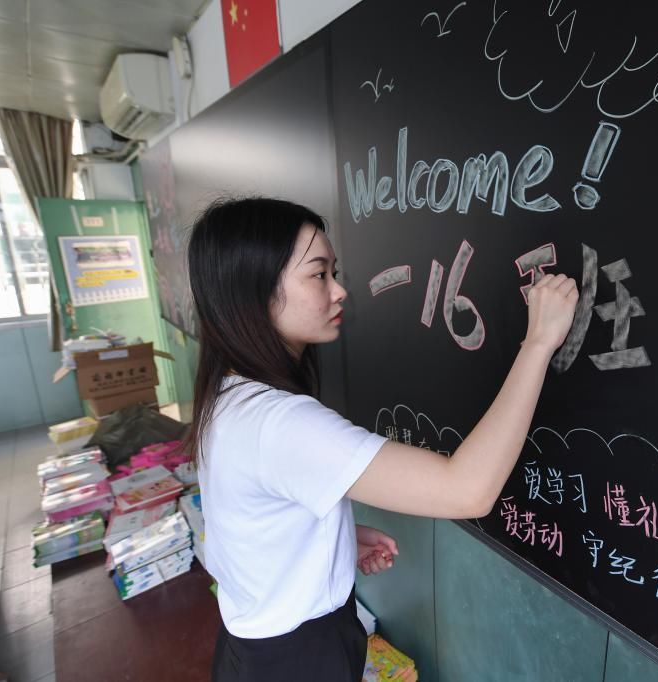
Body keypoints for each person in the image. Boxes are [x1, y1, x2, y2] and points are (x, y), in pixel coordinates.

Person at [184, 197, 578, 681]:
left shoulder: (230, 395)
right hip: (299, 661)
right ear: (255, 291)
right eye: (319, 274)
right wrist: (538, 342)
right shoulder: (281, 423)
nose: (339, 291)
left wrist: (332, 540)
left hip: (253, 648)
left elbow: (245, 524)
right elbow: (467, 491)